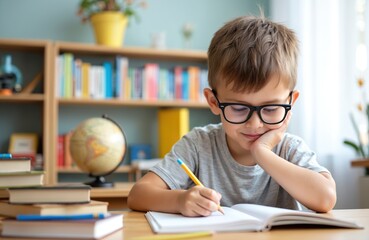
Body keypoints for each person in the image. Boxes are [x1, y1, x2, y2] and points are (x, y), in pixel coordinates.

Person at [127, 15, 337, 216]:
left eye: (271, 109)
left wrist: (262, 153)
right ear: (213, 101)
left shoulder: (290, 149)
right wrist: (180, 200)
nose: (255, 124)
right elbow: (138, 195)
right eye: (239, 108)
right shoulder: (198, 145)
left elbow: (326, 198)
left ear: (290, 102)